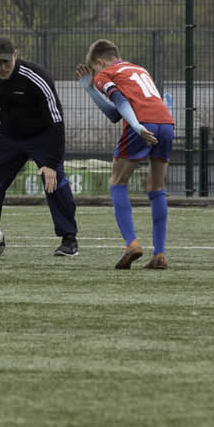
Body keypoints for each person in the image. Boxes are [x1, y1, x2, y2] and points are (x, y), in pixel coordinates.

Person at [0, 37, 79, 256]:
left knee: (54, 182)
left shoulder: (36, 77)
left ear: (15, 55)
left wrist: (51, 163)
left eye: (6, 62)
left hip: (43, 136)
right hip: (9, 137)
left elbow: (56, 121)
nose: (2, 68)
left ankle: (69, 239)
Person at [78, 39, 173, 270]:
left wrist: (137, 126)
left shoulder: (105, 74)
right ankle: (159, 254)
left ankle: (131, 244)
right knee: (156, 187)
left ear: (100, 62)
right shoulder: (139, 69)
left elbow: (120, 103)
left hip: (141, 122)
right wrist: (89, 89)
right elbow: (114, 114)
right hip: (166, 122)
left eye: (94, 69)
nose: (95, 76)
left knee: (117, 181)